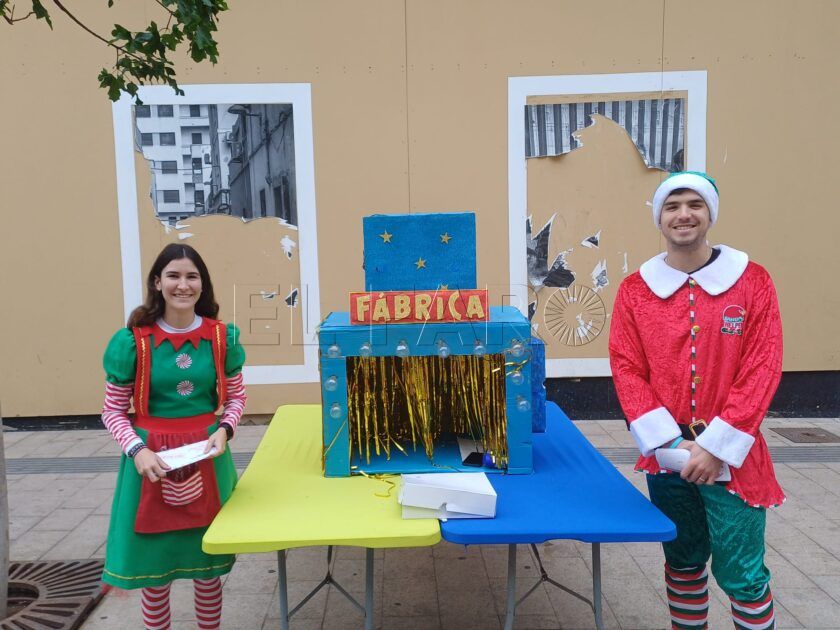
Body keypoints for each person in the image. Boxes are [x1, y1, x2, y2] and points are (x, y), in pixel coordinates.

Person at [609, 172, 783, 630]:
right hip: (668, 456)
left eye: (694, 204)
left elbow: (762, 366)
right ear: (659, 217)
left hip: (735, 458)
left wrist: (715, 447)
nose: (683, 215)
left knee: (743, 576)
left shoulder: (753, 282)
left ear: (710, 213)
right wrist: (670, 442)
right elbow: (627, 368)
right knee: (683, 564)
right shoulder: (634, 290)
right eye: (672, 206)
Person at [100, 243, 247, 630]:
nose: (183, 285)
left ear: (203, 284)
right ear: (157, 282)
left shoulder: (222, 338)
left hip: (207, 458)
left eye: (192, 276)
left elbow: (236, 397)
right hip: (151, 461)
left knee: (207, 568)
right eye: (174, 276)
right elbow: (112, 410)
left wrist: (225, 430)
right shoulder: (133, 341)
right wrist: (137, 451)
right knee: (155, 571)